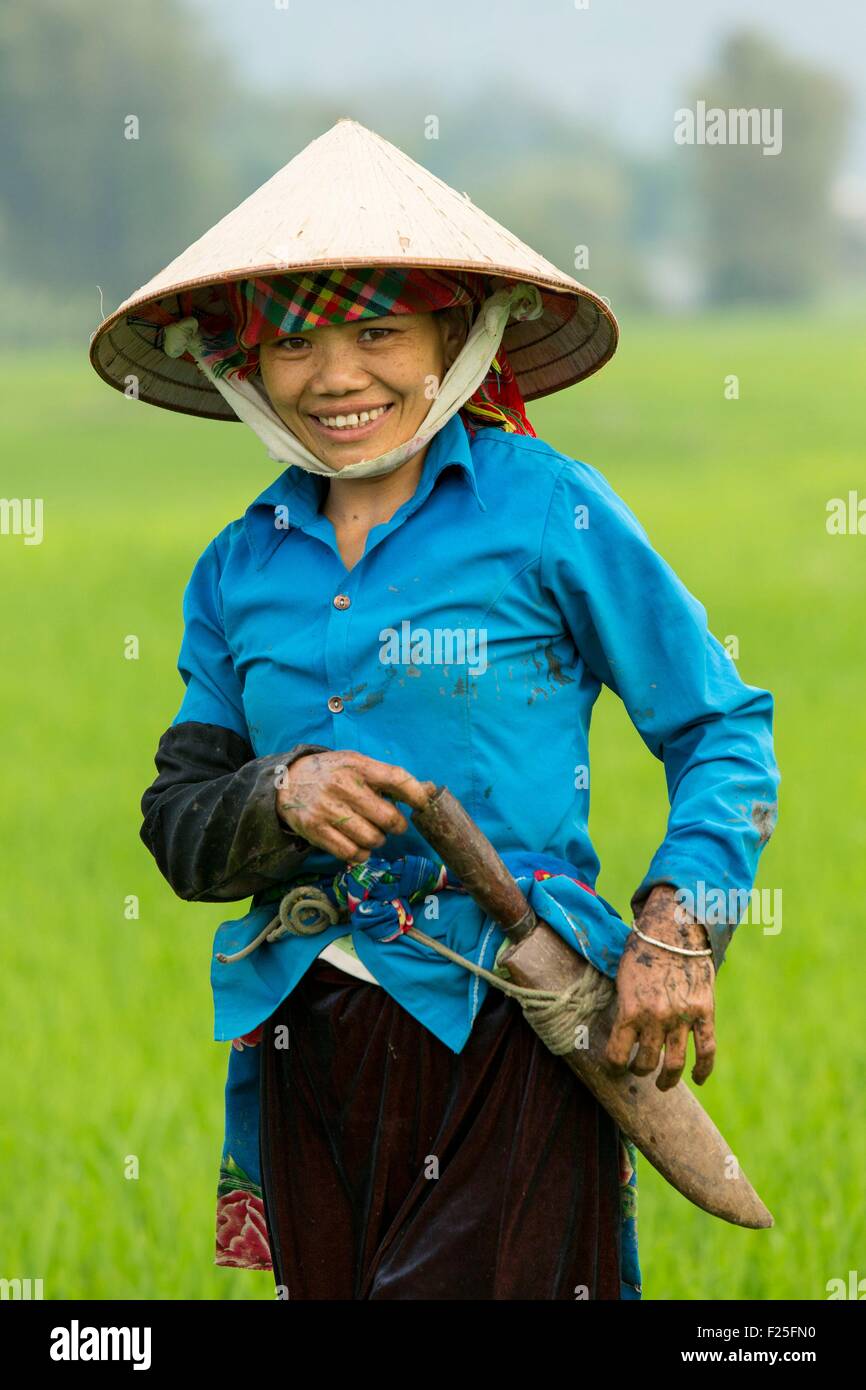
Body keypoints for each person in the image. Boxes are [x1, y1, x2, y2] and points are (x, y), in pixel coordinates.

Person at [90, 119, 780, 1301]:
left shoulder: (545, 510)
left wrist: (678, 926)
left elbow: (719, 725)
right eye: (296, 343)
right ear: (247, 365)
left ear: (449, 338)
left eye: (375, 330)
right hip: (308, 1034)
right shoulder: (236, 569)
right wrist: (280, 793)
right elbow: (179, 822)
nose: (336, 377)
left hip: (513, 1011)